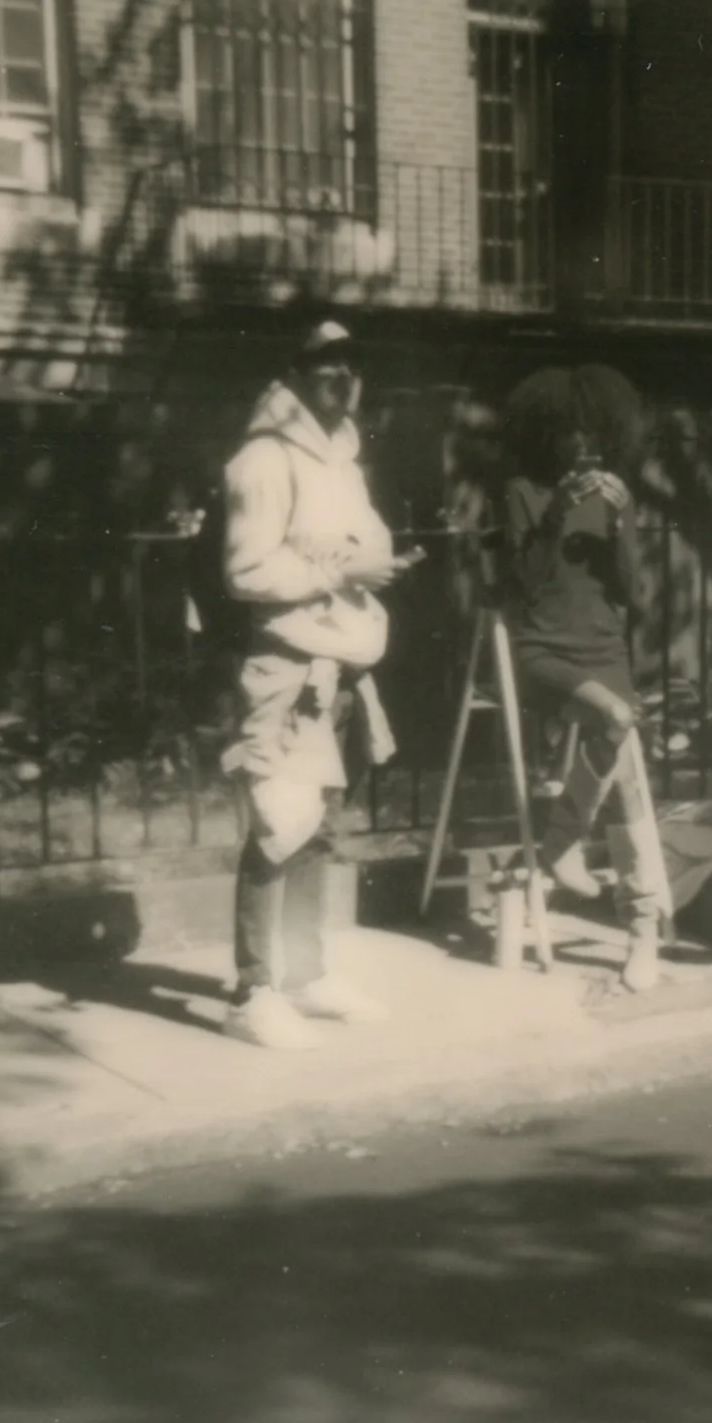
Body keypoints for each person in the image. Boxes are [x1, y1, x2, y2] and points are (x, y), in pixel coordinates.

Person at [215, 319, 404, 1050]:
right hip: (286, 669)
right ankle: (252, 991)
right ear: (293, 375)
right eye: (326, 367)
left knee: (317, 831)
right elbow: (247, 571)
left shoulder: (342, 461)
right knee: (277, 825)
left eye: (352, 367)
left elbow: (371, 541)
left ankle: (306, 975)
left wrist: (359, 562)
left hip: (341, 665)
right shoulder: (262, 460)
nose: (343, 378)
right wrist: (338, 569)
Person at [490, 364, 672, 994]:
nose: (584, 446)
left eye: (595, 435)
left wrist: (621, 524)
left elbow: (632, 595)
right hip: (544, 653)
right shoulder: (522, 492)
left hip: (603, 651)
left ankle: (642, 928)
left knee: (628, 784)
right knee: (618, 722)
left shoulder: (612, 494)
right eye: (572, 434)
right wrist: (552, 518)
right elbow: (527, 584)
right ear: (550, 437)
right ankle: (564, 847)